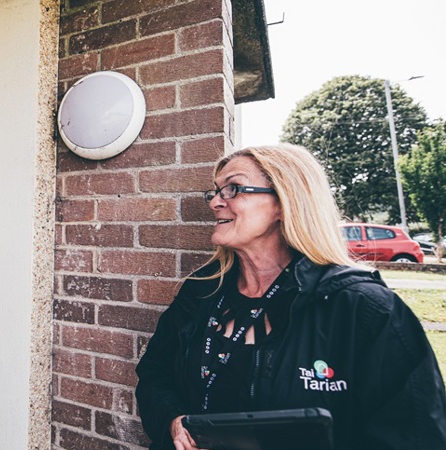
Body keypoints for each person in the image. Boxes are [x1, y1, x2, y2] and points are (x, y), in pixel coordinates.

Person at [136, 144, 446, 450]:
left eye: (233, 189)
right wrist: (174, 422)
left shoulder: (363, 308)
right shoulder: (203, 290)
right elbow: (154, 373)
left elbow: (415, 434)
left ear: (284, 203)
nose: (215, 202)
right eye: (215, 191)